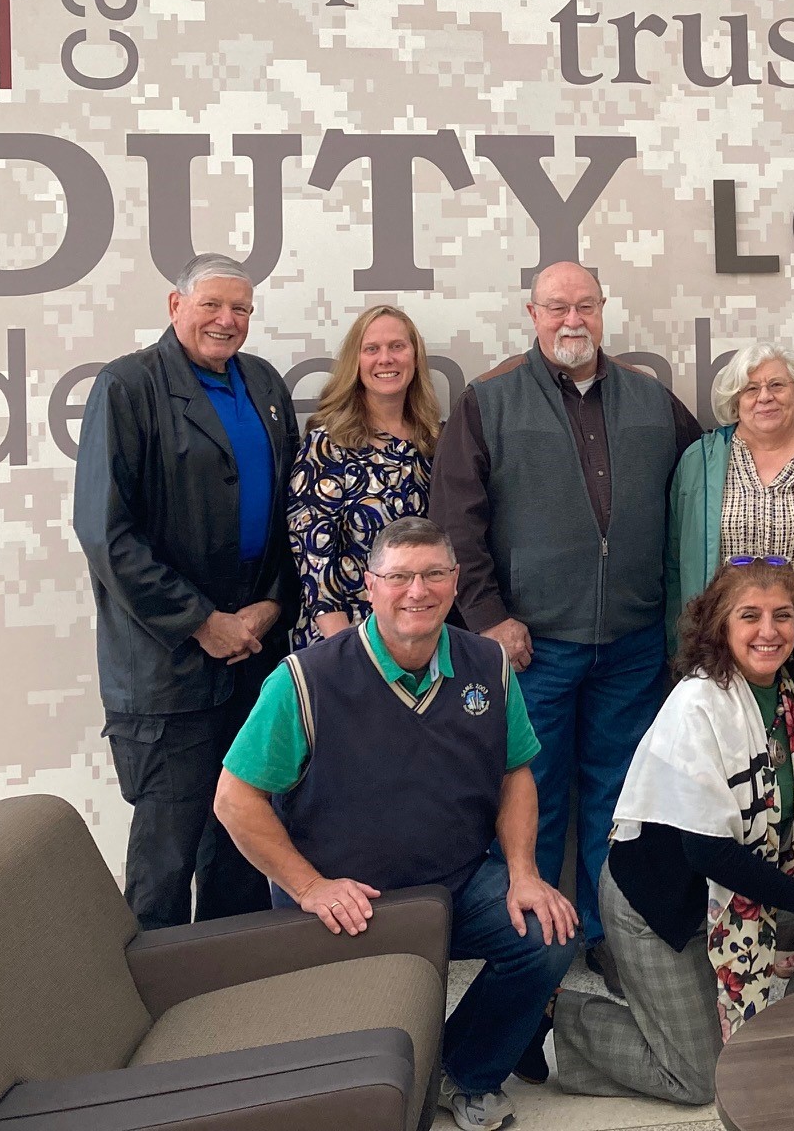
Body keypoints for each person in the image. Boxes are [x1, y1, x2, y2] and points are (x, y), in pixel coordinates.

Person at [213, 518, 577, 1131]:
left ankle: (466, 1072)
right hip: (342, 907)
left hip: (454, 888)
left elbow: (516, 773)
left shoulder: (488, 663)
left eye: (435, 574)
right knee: (354, 1094)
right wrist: (310, 888)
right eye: (400, 576)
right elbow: (234, 800)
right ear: (369, 584)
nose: (418, 591)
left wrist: (523, 872)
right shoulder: (305, 679)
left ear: (456, 582)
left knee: (548, 933)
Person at [429, 261, 703, 1001]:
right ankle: (535, 953)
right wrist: (488, 617)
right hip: (531, 646)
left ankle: (610, 936)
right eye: (556, 307)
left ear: (603, 311)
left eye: (584, 305)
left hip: (633, 640)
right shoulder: (488, 401)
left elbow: (702, 485)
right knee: (532, 797)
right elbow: (457, 522)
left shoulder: (652, 401)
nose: (571, 319)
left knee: (620, 800)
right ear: (532, 313)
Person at [552, 561, 794, 1106]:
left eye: (783, 616)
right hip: (666, 904)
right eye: (750, 616)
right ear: (721, 626)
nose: (768, 631)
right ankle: (562, 1018)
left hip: (751, 879)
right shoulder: (697, 704)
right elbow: (708, 851)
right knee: (701, 1079)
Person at [73, 252, 298, 930]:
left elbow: (291, 512)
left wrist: (272, 603)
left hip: (255, 653)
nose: (227, 321)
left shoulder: (262, 383)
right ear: (177, 307)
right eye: (212, 306)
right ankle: (145, 1005)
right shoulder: (127, 386)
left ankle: (226, 989)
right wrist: (202, 621)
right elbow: (107, 534)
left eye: (241, 310)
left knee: (241, 836)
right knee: (166, 856)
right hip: (167, 666)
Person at [668, 343, 794, 714]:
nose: (765, 398)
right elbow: (675, 558)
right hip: (723, 644)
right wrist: (679, 644)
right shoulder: (700, 460)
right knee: (729, 762)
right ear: (734, 400)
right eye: (751, 388)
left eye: (777, 385)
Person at [286, 303, 438, 647]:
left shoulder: (433, 441)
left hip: (421, 630)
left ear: (415, 357)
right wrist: (343, 645)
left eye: (397, 346)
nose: (386, 358)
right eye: (372, 349)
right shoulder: (329, 443)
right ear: (356, 361)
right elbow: (312, 552)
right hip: (349, 634)